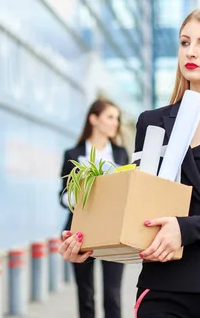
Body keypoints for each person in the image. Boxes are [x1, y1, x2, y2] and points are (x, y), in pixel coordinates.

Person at [58, 7, 200, 318]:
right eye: (184, 42)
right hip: (164, 285)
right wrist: (88, 242)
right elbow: (138, 209)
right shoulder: (154, 124)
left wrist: (184, 229)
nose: (191, 52)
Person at [59, 99, 129, 318]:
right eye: (110, 117)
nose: (115, 123)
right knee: (86, 293)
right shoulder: (73, 153)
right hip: (81, 231)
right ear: (94, 119)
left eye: (116, 118)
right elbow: (62, 196)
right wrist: (82, 194)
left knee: (113, 293)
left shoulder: (120, 154)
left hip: (114, 230)